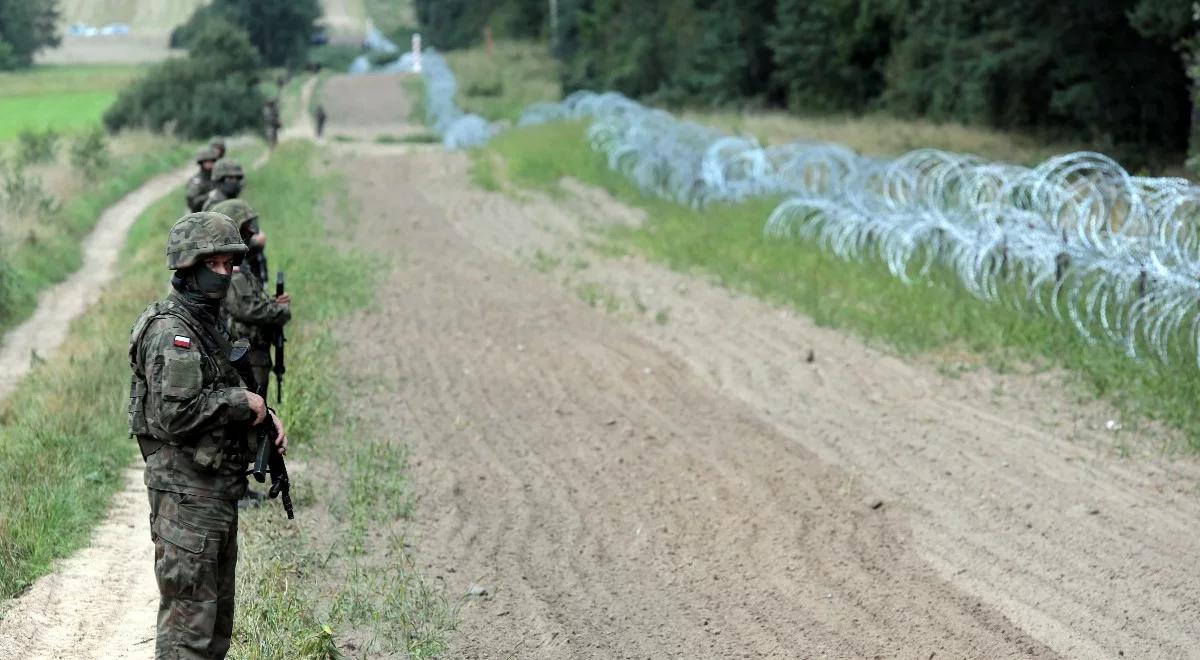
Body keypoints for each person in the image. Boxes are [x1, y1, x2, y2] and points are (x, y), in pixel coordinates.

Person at [128, 211, 288, 659]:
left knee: (215, 628)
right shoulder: (173, 331)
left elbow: (222, 388)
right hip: (186, 495)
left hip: (213, 491)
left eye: (229, 265)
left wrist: (265, 416)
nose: (224, 274)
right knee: (188, 634)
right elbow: (177, 415)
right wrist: (243, 404)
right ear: (187, 266)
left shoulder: (209, 325)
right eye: (213, 265)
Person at [211, 199, 291, 394]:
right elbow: (247, 309)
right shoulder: (232, 271)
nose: (252, 233)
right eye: (246, 228)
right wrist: (280, 310)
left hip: (251, 354)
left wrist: (272, 302)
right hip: (246, 356)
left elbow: (248, 302)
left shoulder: (237, 265)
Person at [185, 146, 219, 213]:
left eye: (212, 161)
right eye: (207, 162)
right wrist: (208, 196)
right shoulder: (196, 181)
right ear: (201, 163)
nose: (210, 164)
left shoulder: (218, 177)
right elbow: (192, 203)